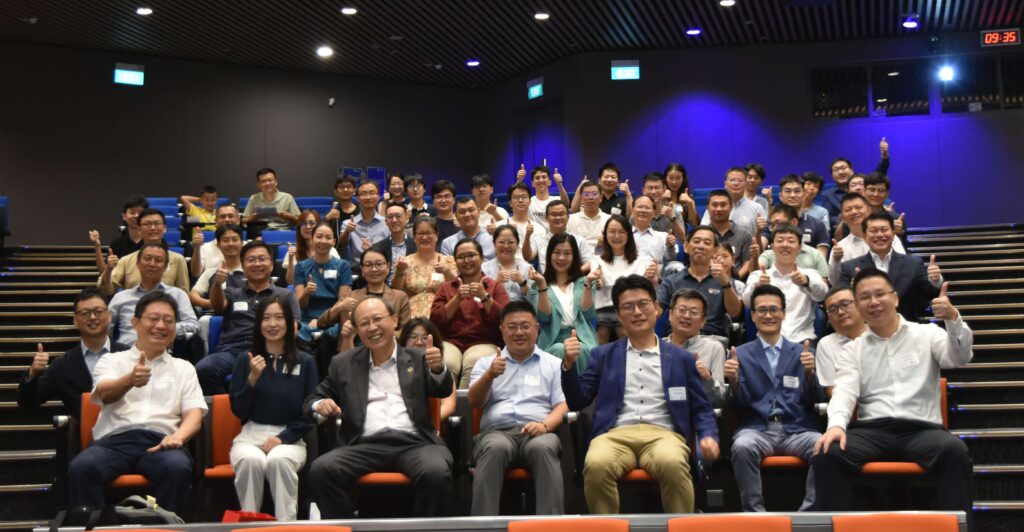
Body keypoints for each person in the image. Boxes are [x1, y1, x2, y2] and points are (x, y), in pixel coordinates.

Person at [813, 268, 974, 517]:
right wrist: (836, 426)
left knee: (956, 452)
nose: (873, 302)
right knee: (829, 454)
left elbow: (959, 358)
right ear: (858, 306)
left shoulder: (927, 334)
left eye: (880, 294)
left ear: (895, 298)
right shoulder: (853, 350)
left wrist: (953, 319)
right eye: (865, 297)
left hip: (922, 430)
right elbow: (844, 391)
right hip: (872, 431)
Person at [562, 275, 720, 514]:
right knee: (595, 465)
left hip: (664, 434)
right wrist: (569, 365)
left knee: (673, 464)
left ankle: (681, 526)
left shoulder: (682, 359)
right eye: (628, 307)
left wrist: (709, 436)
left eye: (643, 304)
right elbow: (578, 400)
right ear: (618, 314)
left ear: (656, 308)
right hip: (615, 435)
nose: (637, 312)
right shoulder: (603, 355)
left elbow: (702, 409)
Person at [306, 297, 454, 518]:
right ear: (358, 330)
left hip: (415, 444)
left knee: (436, 472)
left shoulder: (418, 357)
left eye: (377, 319)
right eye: (364, 323)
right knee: (321, 470)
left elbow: (441, 389)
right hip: (363, 445)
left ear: (394, 320)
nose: (372, 327)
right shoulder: (343, 363)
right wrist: (320, 404)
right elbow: (314, 398)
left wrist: (438, 368)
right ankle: (349, 527)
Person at [67, 292, 207, 514]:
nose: (160, 325)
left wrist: (178, 437)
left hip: (161, 443)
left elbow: (194, 415)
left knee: (177, 467)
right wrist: (129, 380)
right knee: (82, 467)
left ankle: (165, 527)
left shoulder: (184, 368)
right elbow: (104, 393)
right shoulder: (111, 360)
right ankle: (95, 525)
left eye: (168, 320)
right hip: (114, 443)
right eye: (153, 318)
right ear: (135, 322)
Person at [726, 284, 824, 512]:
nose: (768, 315)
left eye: (774, 309)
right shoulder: (740, 354)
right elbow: (739, 405)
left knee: (824, 446)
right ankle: (756, 516)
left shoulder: (804, 352)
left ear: (784, 313)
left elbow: (812, 400)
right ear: (752, 316)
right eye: (761, 310)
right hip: (757, 429)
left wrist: (810, 375)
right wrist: (734, 381)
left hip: (796, 429)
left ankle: (808, 516)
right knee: (742, 446)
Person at [468, 301, 568, 516]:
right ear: (502, 330)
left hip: (538, 431)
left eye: (525, 326)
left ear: (536, 328)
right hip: (498, 432)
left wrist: (544, 426)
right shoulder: (486, 364)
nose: (519, 332)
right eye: (512, 327)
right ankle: (483, 526)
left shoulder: (553, 364)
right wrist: (489, 376)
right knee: (494, 448)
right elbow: (474, 402)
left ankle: (551, 528)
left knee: (543, 448)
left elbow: (562, 405)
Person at [229, 296, 317, 520]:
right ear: (259, 324)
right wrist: (252, 379)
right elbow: (239, 411)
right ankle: (248, 523)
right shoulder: (246, 359)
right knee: (250, 461)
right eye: (266, 318)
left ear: (290, 322)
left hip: (290, 437)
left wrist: (283, 438)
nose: (272, 324)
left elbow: (310, 411)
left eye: (279, 317)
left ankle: (286, 524)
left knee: (279, 460)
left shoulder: (306, 361)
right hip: (251, 434)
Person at [196, 241, 301, 395]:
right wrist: (217, 284)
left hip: (271, 350)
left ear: (272, 265)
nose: (257, 264)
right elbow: (218, 307)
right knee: (203, 369)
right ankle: (227, 405)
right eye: (251, 260)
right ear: (243, 266)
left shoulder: (286, 295)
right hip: (233, 351)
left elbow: (293, 330)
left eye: (262, 259)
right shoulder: (232, 293)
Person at [19, 289, 130, 418]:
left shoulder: (128, 355)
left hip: (127, 427)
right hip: (85, 429)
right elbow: (28, 403)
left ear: (109, 315)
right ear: (75, 320)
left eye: (98, 312)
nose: (92, 317)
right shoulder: (63, 365)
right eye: (85, 313)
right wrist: (33, 373)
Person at [430, 238, 510, 387]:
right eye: (461, 257)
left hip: (485, 342)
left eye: (471, 255)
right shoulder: (446, 288)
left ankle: (466, 403)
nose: (466, 261)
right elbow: (435, 321)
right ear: (455, 261)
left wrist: (485, 297)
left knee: (475, 362)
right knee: (447, 362)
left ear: (482, 257)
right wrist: (457, 299)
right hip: (450, 341)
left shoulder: (495, 287)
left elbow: (505, 320)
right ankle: (445, 402)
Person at [838, 212, 940, 322]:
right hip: (867, 328)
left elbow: (931, 294)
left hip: (907, 327)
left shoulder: (913, 264)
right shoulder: (849, 267)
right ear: (864, 236)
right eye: (873, 231)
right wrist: (855, 289)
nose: (879, 235)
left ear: (893, 234)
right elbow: (844, 302)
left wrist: (935, 280)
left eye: (884, 230)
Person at [743, 224, 828, 344]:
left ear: (799, 248)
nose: (785, 245)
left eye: (791, 241)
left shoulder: (810, 274)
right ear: (772, 247)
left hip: (802, 341)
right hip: (768, 341)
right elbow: (746, 301)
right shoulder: (759, 275)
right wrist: (758, 287)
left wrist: (807, 282)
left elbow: (823, 294)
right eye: (780, 240)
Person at [657, 226, 742, 342]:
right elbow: (655, 312)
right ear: (686, 247)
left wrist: (726, 284)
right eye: (697, 241)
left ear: (715, 251)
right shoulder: (671, 281)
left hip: (712, 340)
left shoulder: (723, 279)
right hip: (678, 339)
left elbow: (735, 313)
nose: (701, 246)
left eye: (707, 243)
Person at [319, 248, 411, 351]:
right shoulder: (351, 296)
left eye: (379, 264)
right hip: (353, 351)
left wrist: (378, 334)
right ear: (362, 270)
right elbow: (321, 323)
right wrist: (339, 307)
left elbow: (405, 332)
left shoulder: (400, 297)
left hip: (388, 350)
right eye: (368, 265)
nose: (374, 269)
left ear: (388, 267)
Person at [108, 242, 199, 346]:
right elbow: (105, 325)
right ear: (138, 263)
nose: (152, 264)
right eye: (147, 259)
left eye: (158, 260)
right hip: (125, 350)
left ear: (165, 267)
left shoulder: (177, 295)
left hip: (162, 350)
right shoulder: (121, 297)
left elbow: (193, 324)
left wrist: (165, 328)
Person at [531, 233, 599, 372]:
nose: (561, 258)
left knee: (580, 349)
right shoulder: (538, 284)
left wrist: (587, 283)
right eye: (557, 253)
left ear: (574, 257)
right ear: (549, 255)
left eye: (567, 253)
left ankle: (582, 387)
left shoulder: (585, 282)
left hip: (582, 338)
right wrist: (542, 286)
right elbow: (544, 317)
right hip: (553, 339)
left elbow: (588, 315)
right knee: (558, 349)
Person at [591, 215, 657, 344]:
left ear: (628, 235)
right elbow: (596, 284)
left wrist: (651, 279)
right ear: (605, 235)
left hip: (630, 311)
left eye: (621, 232)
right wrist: (597, 283)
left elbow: (646, 291)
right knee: (602, 332)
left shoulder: (641, 261)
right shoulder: (597, 260)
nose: (617, 236)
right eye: (612, 232)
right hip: (602, 311)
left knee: (623, 329)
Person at [99, 208, 190, 295]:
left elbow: (183, 294)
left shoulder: (178, 259)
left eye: (157, 223)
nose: (153, 228)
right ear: (139, 229)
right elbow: (106, 290)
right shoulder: (126, 261)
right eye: (147, 224)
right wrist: (108, 270)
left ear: (164, 228)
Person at [663, 289, 727, 407]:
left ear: (703, 321)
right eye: (681, 310)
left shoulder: (714, 348)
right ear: (670, 315)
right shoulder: (657, 347)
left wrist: (707, 379)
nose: (686, 316)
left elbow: (719, 400)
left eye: (693, 312)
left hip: (697, 412)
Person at [828, 193, 905, 283]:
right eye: (848, 210)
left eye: (858, 207)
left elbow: (903, 267)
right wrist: (836, 260)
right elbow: (834, 282)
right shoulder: (840, 247)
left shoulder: (887, 237)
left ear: (869, 210)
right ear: (842, 217)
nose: (854, 212)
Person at [295, 223, 353, 341]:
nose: (323, 241)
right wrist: (306, 292)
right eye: (319, 236)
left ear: (334, 241)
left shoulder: (343, 266)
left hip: (333, 319)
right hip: (306, 320)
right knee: (294, 329)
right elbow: (300, 305)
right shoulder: (301, 266)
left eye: (328, 237)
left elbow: (342, 301)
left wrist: (321, 320)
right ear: (311, 240)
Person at [393, 216, 458, 318]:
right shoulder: (405, 262)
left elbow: (457, 288)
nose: (424, 237)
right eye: (420, 233)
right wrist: (400, 271)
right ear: (414, 237)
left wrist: (447, 271)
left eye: (428, 233)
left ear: (436, 236)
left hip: (442, 316)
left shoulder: (448, 261)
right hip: (412, 318)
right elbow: (396, 289)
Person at [818, 138, 889, 229]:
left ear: (851, 170)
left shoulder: (867, 188)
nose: (840, 172)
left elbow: (878, 176)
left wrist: (884, 157)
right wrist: (844, 218)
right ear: (832, 176)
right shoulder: (828, 194)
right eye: (836, 170)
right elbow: (829, 218)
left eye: (843, 168)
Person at [398, 319, 457, 424]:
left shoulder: (440, 372)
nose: (419, 342)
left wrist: (429, 424)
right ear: (404, 341)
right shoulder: (392, 366)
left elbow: (449, 406)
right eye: (413, 337)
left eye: (425, 338)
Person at [756, 205, 830, 282]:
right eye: (772, 225)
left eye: (778, 223)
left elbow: (823, 285)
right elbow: (756, 273)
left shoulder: (816, 255)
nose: (775, 228)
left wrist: (807, 281)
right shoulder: (768, 254)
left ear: (794, 222)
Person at [815, 286, 866, 395]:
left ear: (859, 305)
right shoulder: (826, 345)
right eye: (833, 309)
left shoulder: (879, 333)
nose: (841, 312)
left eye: (845, 304)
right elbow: (831, 390)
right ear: (828, 318)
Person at [524, 200, 594, 274]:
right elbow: (528, 257)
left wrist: (574, 274)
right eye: (554, 214)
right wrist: (527, 236)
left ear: (568, 217)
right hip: (545, 280)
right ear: (546, 218)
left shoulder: (579, 240)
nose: (558, 217)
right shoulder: (538, 240)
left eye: (561, 214)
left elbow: (590, 263)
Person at [190, 224, 245, 311]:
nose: (230, 244)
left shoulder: (250, 270)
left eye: (235, 240)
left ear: (242, 243)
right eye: (225, 240)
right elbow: (193, 295)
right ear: (218, 245)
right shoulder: (211, 271)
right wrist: (210, 303)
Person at [772, 175, 830, 257]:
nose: (792, 195)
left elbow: (821, 257)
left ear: (804, 195)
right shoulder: (772, 223)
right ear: (780, 196)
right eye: (788, 191)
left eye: (797, 191)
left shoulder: (817, 224)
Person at [701, 167, 767, 237]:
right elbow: (703, 230)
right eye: (732, 180)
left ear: (745, 184)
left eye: (740, 181)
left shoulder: (757, 207)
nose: (736, 184)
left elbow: (764, 234)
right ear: (725, 184)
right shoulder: (715, 208)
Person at [706, 189, 756, 279]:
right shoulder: (703, 234)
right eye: (715, 205)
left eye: (723, 205)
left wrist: (733, 281)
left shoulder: (744, 234)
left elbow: (747, 263)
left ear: (731, 207)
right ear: (708, 208)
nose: (719, 209)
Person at [339, 180, 389, 269]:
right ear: (357, 198)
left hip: (381, 270)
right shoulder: (348, 223)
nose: (368, 197)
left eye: (372, 193)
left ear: (378, 196)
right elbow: (342, 244)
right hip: (357, 270)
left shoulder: (387, 223)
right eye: (363, 194)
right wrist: (347, 231)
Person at [286, 210, 341, 285]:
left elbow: (336, 278)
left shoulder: (330, 250)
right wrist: (290, 259)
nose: (308, 227)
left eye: (312, 223)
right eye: (304, 223)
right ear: (299, 228)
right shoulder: (293, 251)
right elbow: (290, 282)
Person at [189, 203, 242, 279]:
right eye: (223, 216)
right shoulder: (205, 248)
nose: (227, 219)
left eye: (230, 216)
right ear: (216, 221)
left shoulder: (248, 248)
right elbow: (196, 273)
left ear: (238, 220)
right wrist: (197, 248)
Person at [482, 224, 533, 302]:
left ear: (517, 244)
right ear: (494, 244)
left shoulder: (527, 268)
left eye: (510, 242)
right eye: (501, 242)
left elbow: (534, 300)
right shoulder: (484, 268)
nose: (506, 246)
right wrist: (496, 283)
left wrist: (522, 283)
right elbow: (480, 299)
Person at [371, 202, 415, 283]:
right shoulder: (377, 248)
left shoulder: (417, 246)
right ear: (386, 221)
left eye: (398, 216)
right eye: (390, 217)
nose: (394, 220)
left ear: (407, 219)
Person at [631, 195, 679, 271]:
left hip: (655, 273)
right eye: (640, 207)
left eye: (647, 208)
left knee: (677, 266)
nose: (643, 210)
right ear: (632, 210)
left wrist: (670, 247)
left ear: (653, 213)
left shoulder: (663, 236)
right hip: (630, 274)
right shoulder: (624, 235)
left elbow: (671, 259)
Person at [638, 172, 687, 245]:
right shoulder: (637, 214)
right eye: (650, 188)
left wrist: (672, 218)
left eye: (657, 188)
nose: (653, 192)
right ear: (643, 191)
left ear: (664, 189)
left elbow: (683, 241)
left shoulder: (673, 213)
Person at [440, 196, 496, 260]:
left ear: (479, 212)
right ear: (456, 216)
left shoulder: (493, 238)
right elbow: (449, 266)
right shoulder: (448, 243)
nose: (467, 214)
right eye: (462, 212)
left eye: (471, 210)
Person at [519, 164, 570, 232]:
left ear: (549, 182)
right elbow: (515, 198)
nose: (541, 180)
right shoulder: (528, 201)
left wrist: (559, 184)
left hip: (555, 236)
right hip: (535, 236)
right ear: (532, 183)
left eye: (544, 177)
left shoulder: (557, 200)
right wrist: (519, 181)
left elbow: (566, 204)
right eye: (537, 178)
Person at [567, 181, 611, 253]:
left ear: (601, 198)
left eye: (594, 194)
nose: (590, 198)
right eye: (586, 194)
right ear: (581, 199)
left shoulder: (609, 220)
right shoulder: (571, 219)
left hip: (603, 257)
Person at [325, 176, 359, 255]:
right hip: (337, 253)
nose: (345, 190)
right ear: (336, 192)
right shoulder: (332, 213)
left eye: (349, 187)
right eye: (341, 187)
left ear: (354, 191)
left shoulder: (361, 211)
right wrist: (327, 218)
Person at [665, 162, 699, 227]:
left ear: (683, 179)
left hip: (682, 232)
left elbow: (694, 224)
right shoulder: (659, 196)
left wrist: (690, 203)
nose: (674, 182)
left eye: (678, 178)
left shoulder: (688, 198)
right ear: (665, 178)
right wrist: (661, 199)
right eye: (671, 178)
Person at [430, 180, 460, 246]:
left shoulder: (462, 223)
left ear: (454, 199)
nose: (443, 200)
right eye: (439, 197)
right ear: (433, 201)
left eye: (447, 196)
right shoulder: (430, 225)